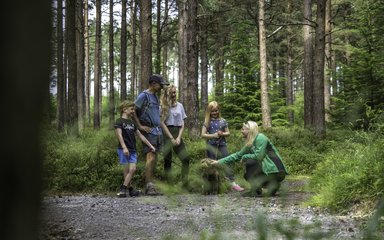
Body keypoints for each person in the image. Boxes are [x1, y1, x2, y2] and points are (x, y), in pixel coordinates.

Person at [213, 121, 288, 197]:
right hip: (268, 171)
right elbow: (237, 155)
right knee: (247, 175)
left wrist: (245, 156)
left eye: (243, 129)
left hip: (277, 171)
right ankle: (265, 188)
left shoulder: (260, 137)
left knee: (250, 162)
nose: (241, 131)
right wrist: (218, 162)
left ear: (250, 130)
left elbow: (259, 156)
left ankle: (259, 189)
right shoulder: (250, 143)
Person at [133, 74, 169, 195]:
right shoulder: (144, 95)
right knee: (150, 158)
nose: (161, 87)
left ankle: (151, 186)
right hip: (148, 132)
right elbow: (133, 110)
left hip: (157, 132)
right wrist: (139, 126)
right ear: (153, 84)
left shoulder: (155, 97)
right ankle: (149, 187)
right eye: (160, 85)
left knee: (154, 159)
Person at [115, 101, 156, 197]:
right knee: (126, 171)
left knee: (132, 169)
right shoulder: (119, 121)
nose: (133, 111)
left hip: (132, 150)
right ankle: (130, 190)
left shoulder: (132, 123)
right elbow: (119, 135)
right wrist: (124, 147)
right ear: (124, 109)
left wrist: (150, 146)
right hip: (123, 149)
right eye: (131, 109)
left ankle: (123, 188)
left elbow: (141, 136)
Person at [201, 101, 244, 192]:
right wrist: (213, 135)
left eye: (216, 111)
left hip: (222, 144)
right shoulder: (207, 122)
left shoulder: (223, 121)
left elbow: (228, 133)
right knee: (212, 164)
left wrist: (222, 133)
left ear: (219, 110)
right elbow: (203, 135)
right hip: (211, 145)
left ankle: (232, 183)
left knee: (226, 161)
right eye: (212, 111)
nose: (214, 113)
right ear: (209, 112)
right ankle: (210, 184)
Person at [160, 84, 191, 188]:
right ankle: (169, 186)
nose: (174, 94)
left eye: (175, 92)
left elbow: (182, 124)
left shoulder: (180, 106)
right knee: (167, 160)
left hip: (177, 133)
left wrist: (178, 138)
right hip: (167, 134)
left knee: (186, 158)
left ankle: (185, 184)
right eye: (172, 92)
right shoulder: (163, 106)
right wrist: (171, 138)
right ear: (167, 94)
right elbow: (162, 123)